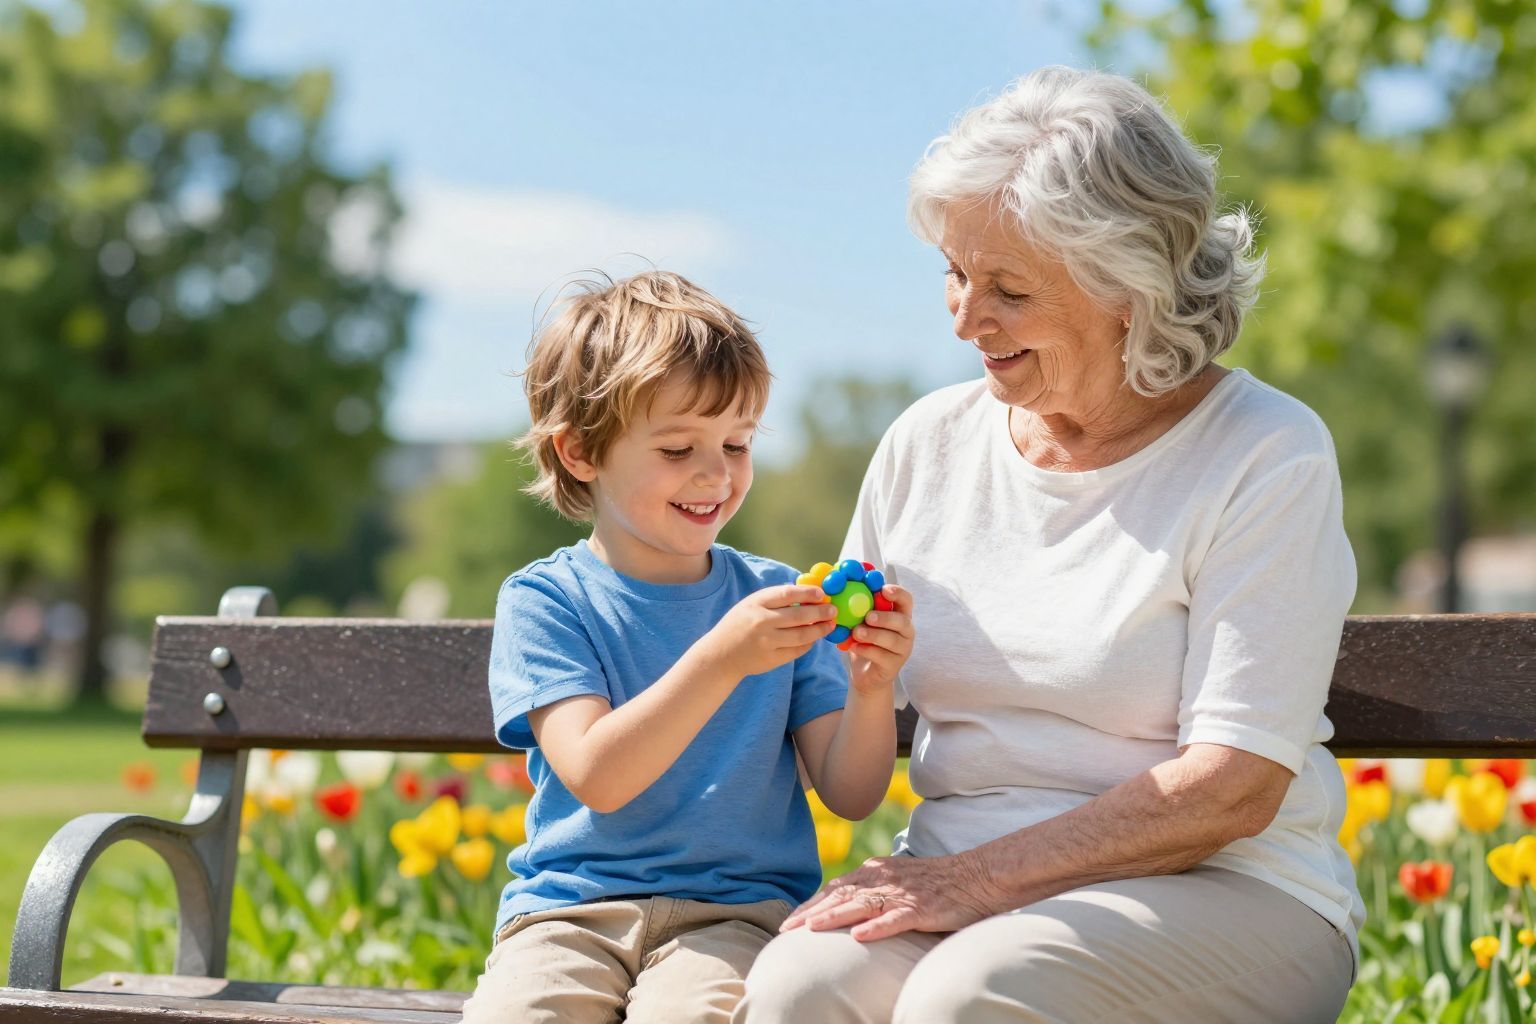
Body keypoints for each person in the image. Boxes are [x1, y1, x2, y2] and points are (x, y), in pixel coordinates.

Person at [737, 66, 1360, 1024]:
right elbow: (844, 704)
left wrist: (976, 882)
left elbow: (1231, 788)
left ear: (1129, 284)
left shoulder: (1264, 452)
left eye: (1009, 290)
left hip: (1228, 891)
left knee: (971, 997)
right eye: (953, 271)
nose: (964, 317)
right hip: (954, 880)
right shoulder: (925, 445)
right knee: (796, 989)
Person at [459, 270, 916, 1024]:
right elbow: (599, 777)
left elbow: (850, 792)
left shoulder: (771, 599)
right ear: (580, 453)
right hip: (571, 916)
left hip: (735, 918)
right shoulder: (546, 601)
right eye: (677, 449)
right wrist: (721, 658)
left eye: (736, 443)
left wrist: (870, 688)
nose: (716, 473)